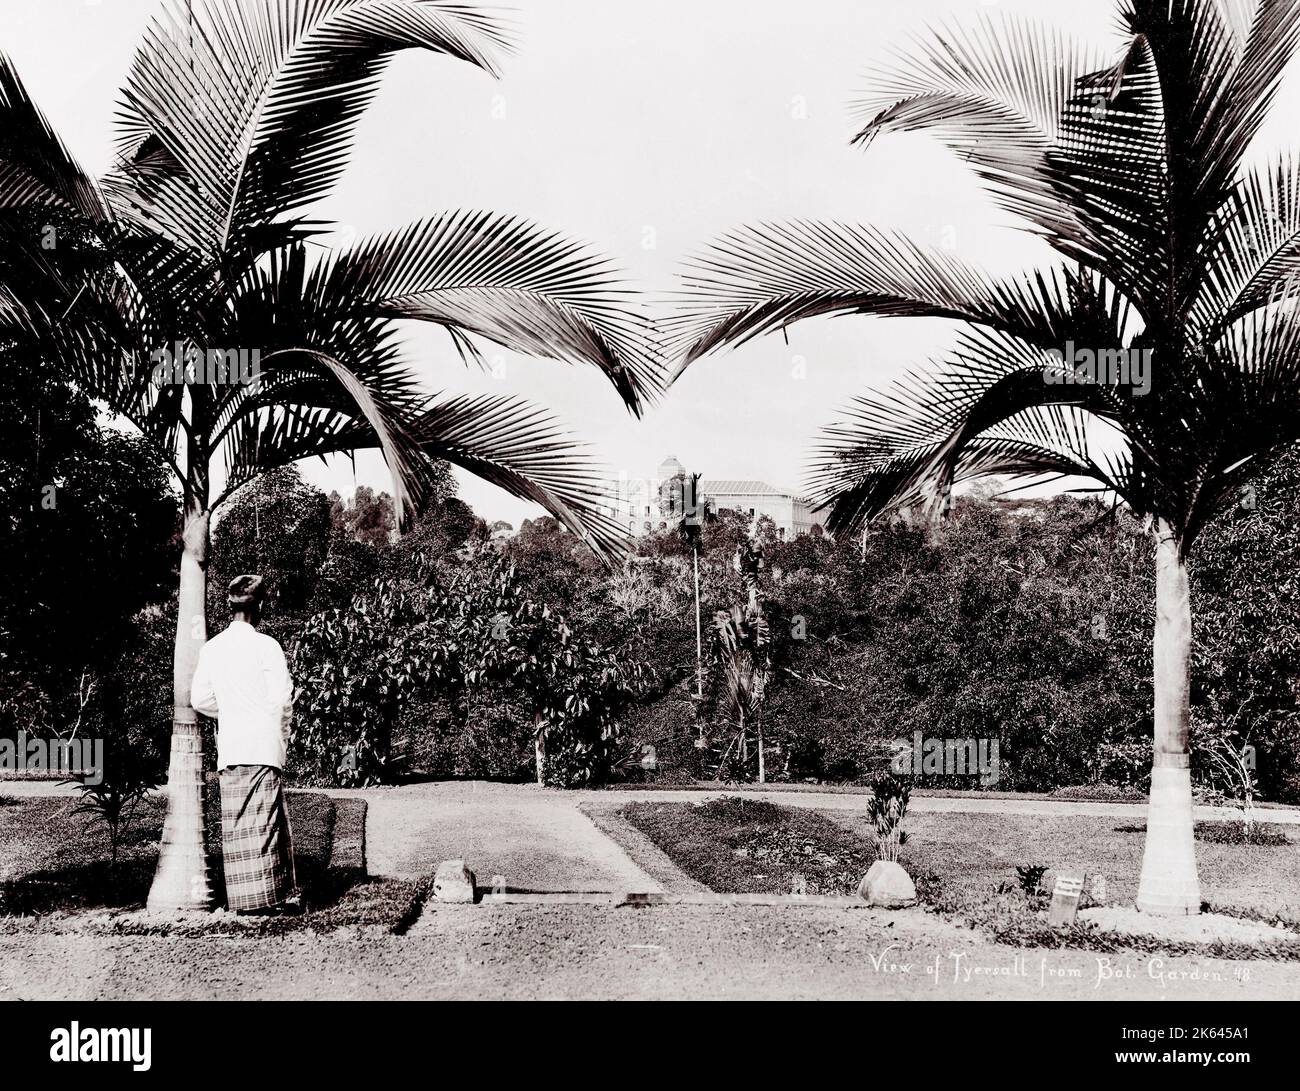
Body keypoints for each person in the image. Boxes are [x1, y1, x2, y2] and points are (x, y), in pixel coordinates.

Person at [190, 574, 298, 914]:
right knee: (265, 825)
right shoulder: (267, 645)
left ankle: (243, 901)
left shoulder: (212, 648)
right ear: (260, 606)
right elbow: (283, 698)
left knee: (237, 825)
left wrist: (232, 709)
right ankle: (268, 899)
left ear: (230, 606)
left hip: (233, 745)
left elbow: (200, 699)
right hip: (263, 745)